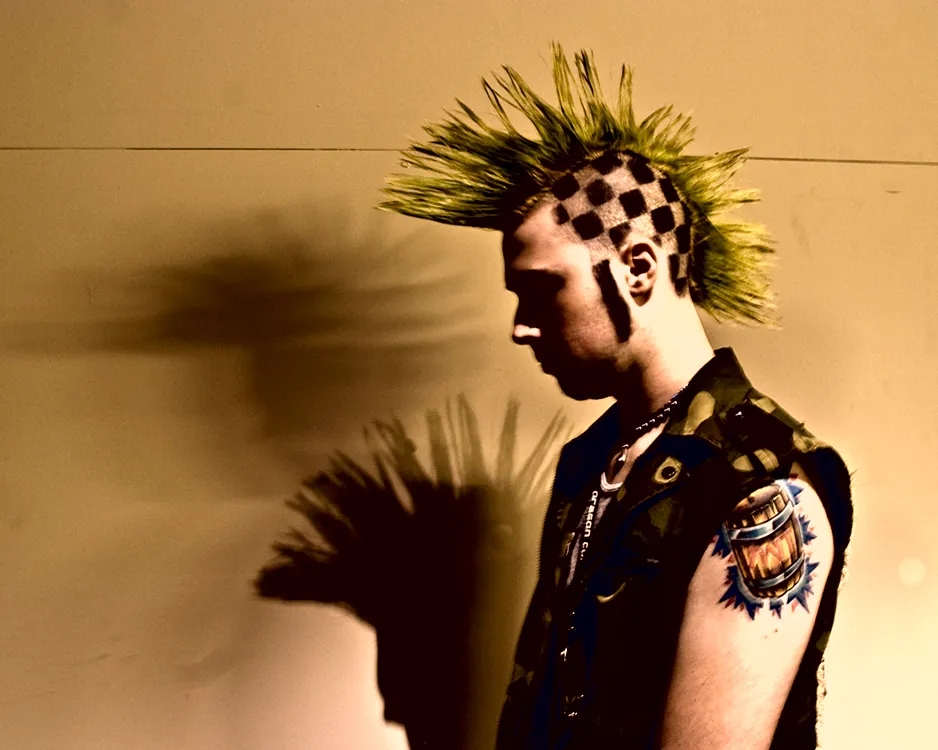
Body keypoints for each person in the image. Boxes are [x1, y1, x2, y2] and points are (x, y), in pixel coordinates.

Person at [380, 45, 852, 750]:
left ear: (636, 267)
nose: (520, 326)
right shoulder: (591, 461)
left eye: (543, 289)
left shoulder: (761, 488)